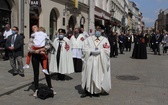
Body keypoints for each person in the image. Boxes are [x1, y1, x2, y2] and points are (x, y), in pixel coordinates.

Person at [81, 29, 111, 98]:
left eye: (99, 30)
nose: (98, 31)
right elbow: (84, 49)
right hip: (90, 59)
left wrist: (100, 51)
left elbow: (107, 50)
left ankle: (96, 91)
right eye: (97, 30)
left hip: (100, 60)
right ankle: (87, 91)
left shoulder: (105, 40)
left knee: (98, 75)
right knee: (88, 74)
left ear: (101, 31)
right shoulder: (89, 39)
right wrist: (90, 52)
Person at [29, 25, 56, 97]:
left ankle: (50, 87)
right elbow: (29, 48)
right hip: (35, 56)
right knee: (36, 73)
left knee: (46, 72)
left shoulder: (45, 37)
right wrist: (37, 51)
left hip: (43, 56)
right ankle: (36, 89)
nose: (33, 28)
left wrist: (43, 49)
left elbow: (49, 46)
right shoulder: (33, 37)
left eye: (34, 27)